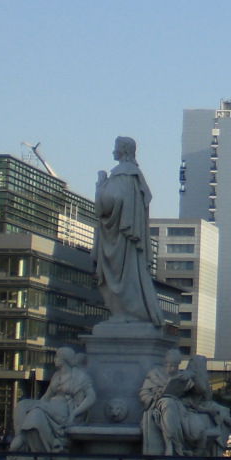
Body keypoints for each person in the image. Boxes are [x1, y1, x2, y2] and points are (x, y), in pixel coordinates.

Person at [94, 137, 164, 325]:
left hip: (121, 239)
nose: (112, 151)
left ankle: (126, 313)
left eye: (115, 147)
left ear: (123, 150)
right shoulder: (132, 176)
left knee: (122, 276)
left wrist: (100, 186)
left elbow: (108, 204)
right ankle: (125, 313)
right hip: (122, 237)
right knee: (126, 275)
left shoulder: (123, 175)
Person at [10, 346, 96, 454]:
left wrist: (74, 413)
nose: (54, 360)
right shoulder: (56, 376)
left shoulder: (80, 376)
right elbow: (46, 397)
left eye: (57, 357)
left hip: (66, 410)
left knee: (36, 413)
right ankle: (22, 437)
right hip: (53, 407)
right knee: (23, 405)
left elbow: (92, 397)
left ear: (65, 359)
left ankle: (47, 446)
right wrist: (35, 405)